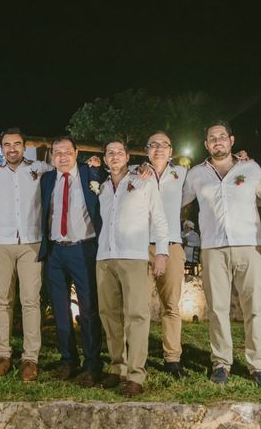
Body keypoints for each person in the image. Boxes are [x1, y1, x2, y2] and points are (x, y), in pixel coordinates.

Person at [182, 121, 261, 388]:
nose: (218, 141)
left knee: (253, 307)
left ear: (232, 140)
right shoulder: (197, 174)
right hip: (213, 247)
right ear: (206, 145)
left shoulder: (251, 168)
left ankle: (258, 366)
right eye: (212, 138)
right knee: (218, 308)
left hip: (249, 246)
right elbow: (177, 200)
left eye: (222, 136)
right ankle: (221, 362)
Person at [96, 140, 169, 396]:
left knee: (137, 315)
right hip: (104, 256)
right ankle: (118, 368)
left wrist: (161, 252)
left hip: (134, 256)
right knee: (109, 313)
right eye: (110, 153)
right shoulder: (103, 187)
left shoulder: (144, 180)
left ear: (128, 156)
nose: (114, 156)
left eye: (119, 152)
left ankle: (136, 374)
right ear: (105, 159)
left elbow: (159, 218)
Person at [38, 136, 106, 387]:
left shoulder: (92, 174)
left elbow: (118, 170)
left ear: (77, 152)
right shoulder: (47, 179)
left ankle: (92, 363)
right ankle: (68, 360)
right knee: (59, 309)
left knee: (88, 309)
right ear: (51, 156)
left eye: (67, 151)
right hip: (55, 251)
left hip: (84, 250)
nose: (62, 156)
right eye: (57, 152)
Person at [0, 128, 54, 382]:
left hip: (31, 242)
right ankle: (3, 355)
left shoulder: (40, 169)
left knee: (30, 301)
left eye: (17, 144)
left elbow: (63, 169)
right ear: (1, 148)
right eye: (7, 144)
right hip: (1, 242)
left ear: (25, 146)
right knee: (3, 301)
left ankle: (30, 359)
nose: (12, 149)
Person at [145, 131, 190, 379]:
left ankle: (172, 358)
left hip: (172, 245)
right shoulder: (137, 173)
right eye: (154, 145)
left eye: (164, 145)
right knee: (137, 305)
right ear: (146, 150)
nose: (159, 149)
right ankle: (136, 355)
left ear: (171, 151)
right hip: (141, 246)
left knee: (171, 305)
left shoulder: (182, 175)